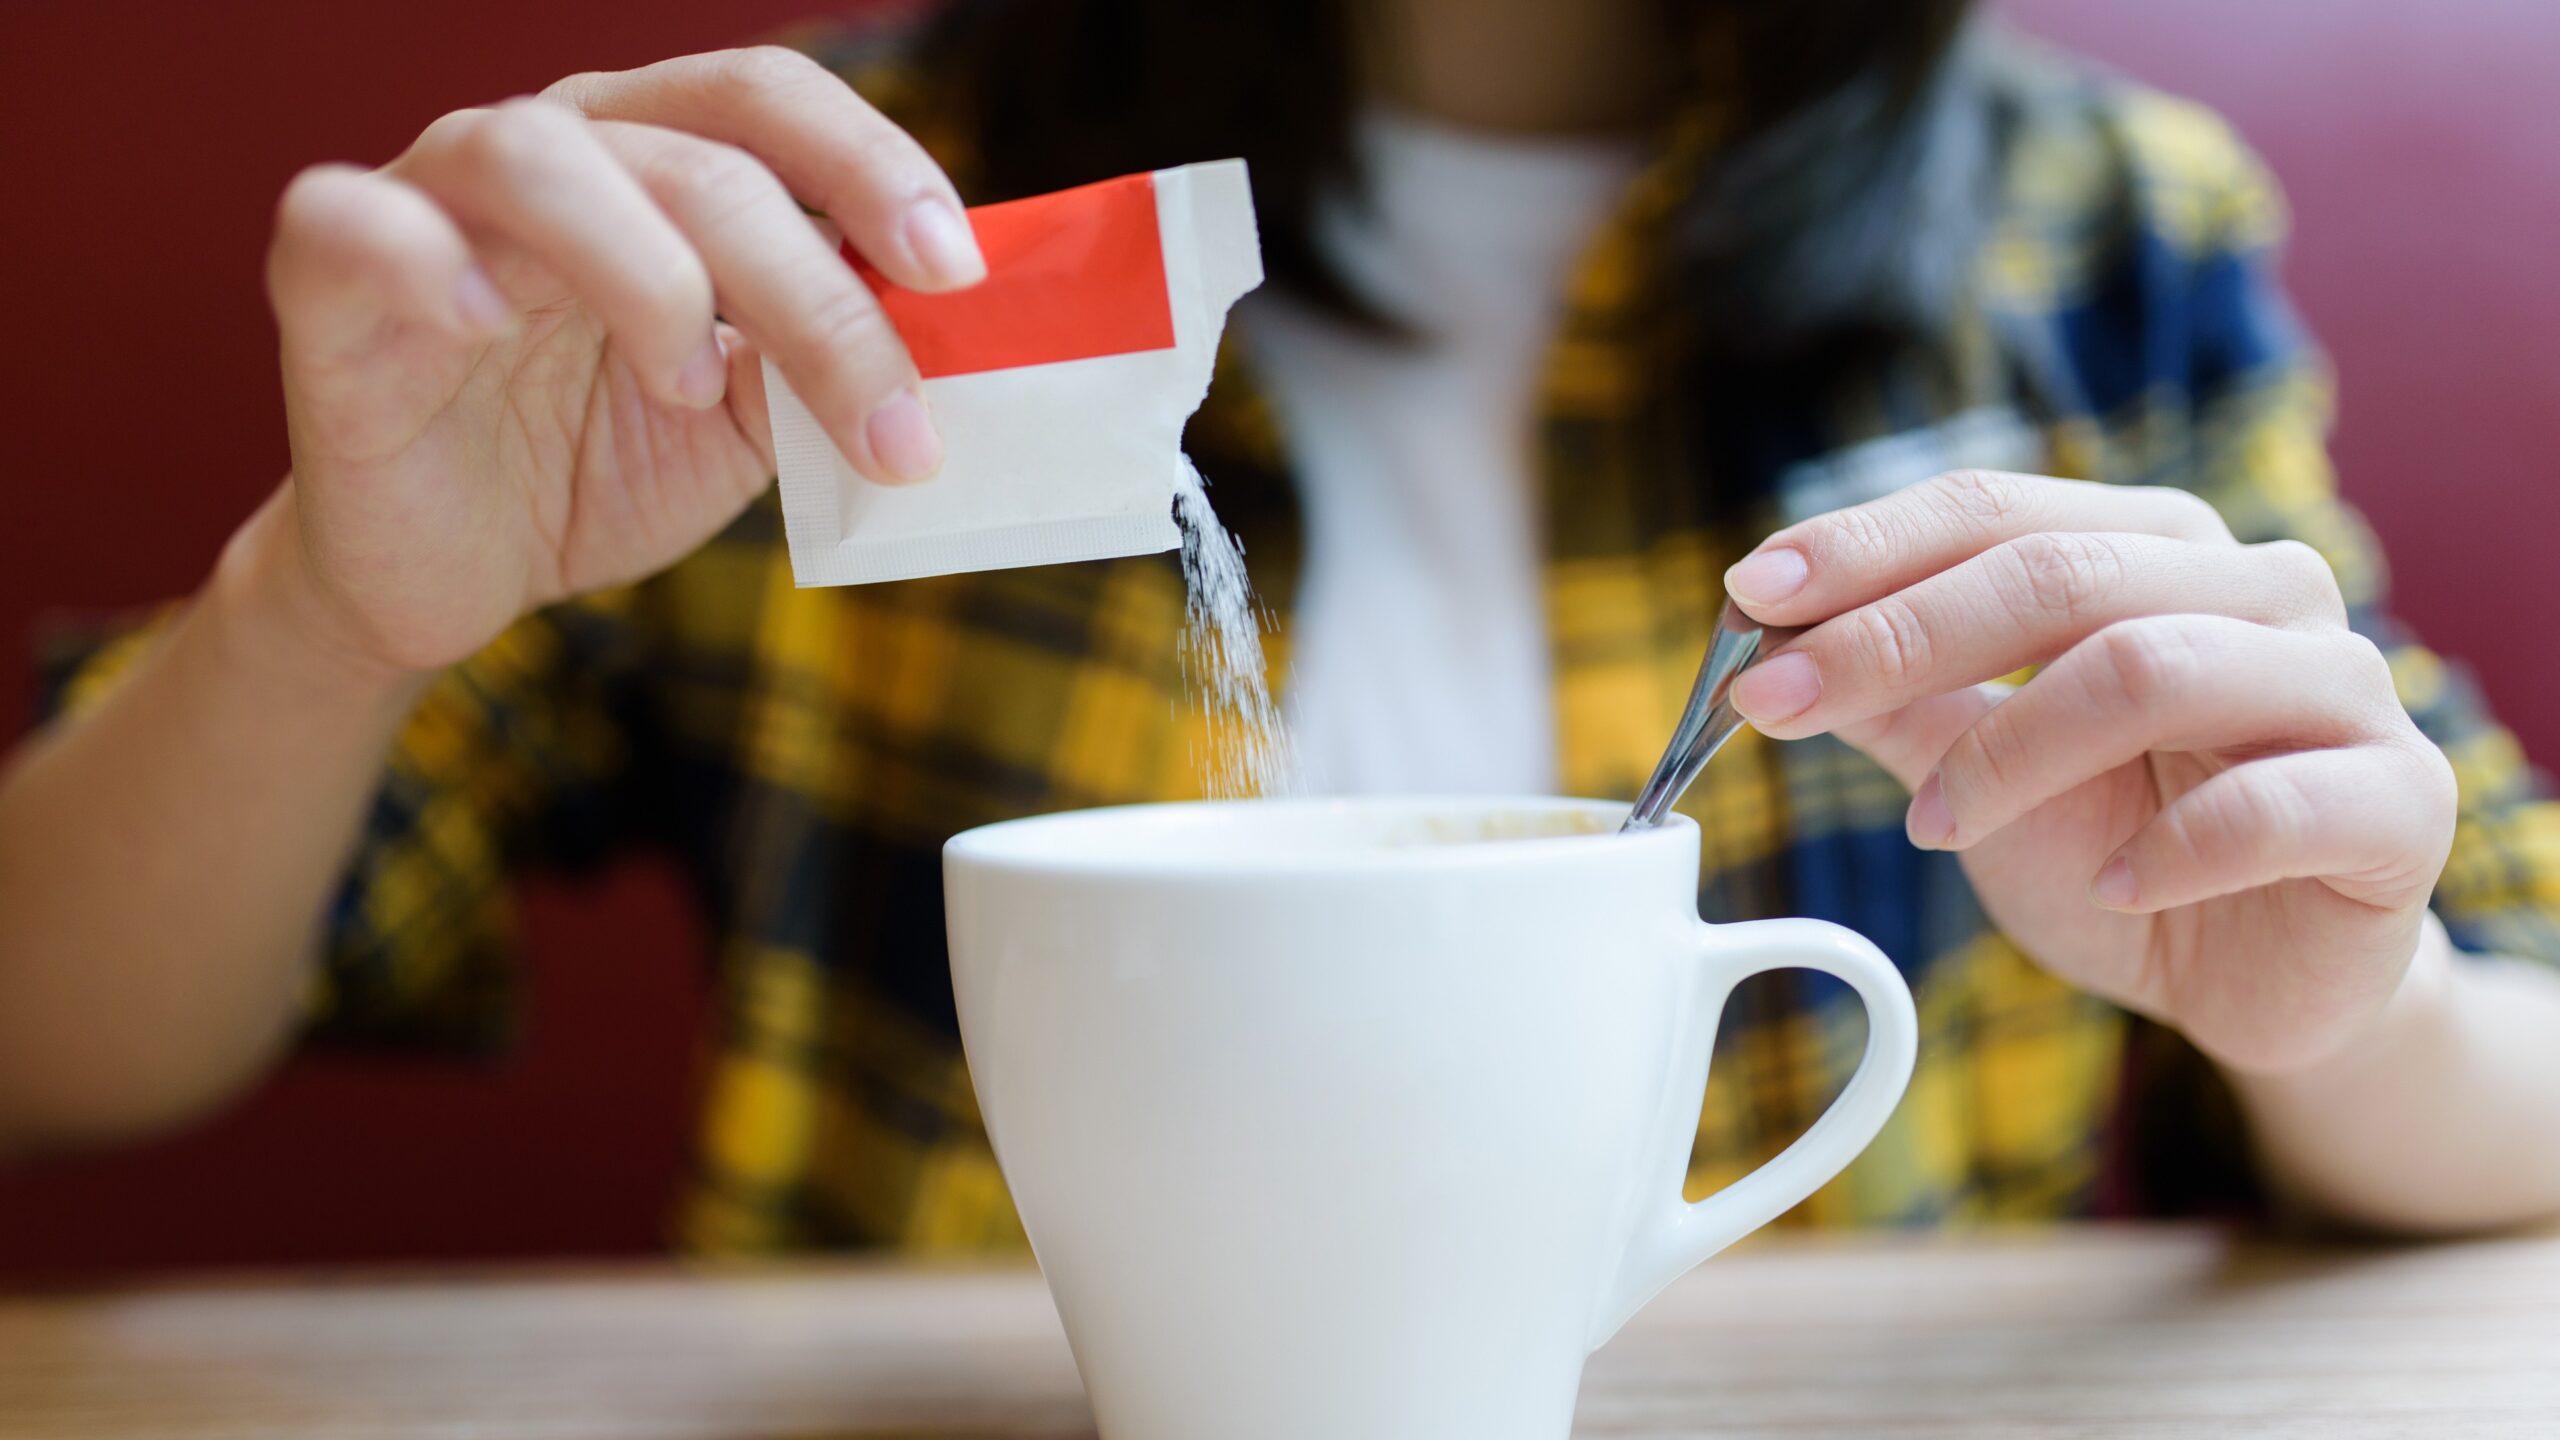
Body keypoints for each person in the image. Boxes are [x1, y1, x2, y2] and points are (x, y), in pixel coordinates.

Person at [3, 0, 2556, 1255]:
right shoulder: (800, 247)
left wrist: (2349, 1005)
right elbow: (55, 1049)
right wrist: (324, 612)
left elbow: (2501, 1028)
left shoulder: (2092, 230)